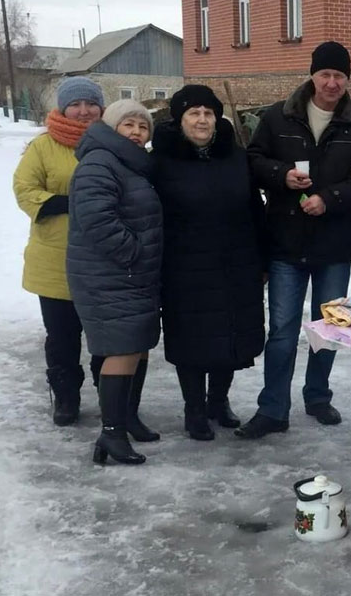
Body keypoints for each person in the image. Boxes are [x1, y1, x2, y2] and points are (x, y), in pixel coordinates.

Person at [237, 41, 351, 437]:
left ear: (348, 80)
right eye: (325, 75)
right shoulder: (279, 117)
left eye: (339, 76)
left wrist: (330, 198)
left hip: (334, 246)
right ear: (312, 75)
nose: (331, 83)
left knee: (329, 326)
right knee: (282, 329)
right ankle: (272, 409)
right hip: (285, 241)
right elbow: (252, 161)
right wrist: (282, 174)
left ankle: (318, 396)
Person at [151, 85, 267, 441]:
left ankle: (218, 401)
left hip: (235, 261)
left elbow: (254, 207)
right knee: (191, 340)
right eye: (193, 113)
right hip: (184, 265)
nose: (202, 120)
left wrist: (262, 257)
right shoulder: (161, 160)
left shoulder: (234, 156)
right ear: (180, 119)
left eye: (208, 113)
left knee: (230, 337)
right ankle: (194, 410)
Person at [67, 101, 162, 465]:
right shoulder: (99, 162)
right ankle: (111, 434)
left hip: (129, 273)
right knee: (122, 349)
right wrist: (134, 252)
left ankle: (127, 418)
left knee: (136, 345)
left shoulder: (126, 162)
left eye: (143, 126)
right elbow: (97, 218)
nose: (137, 132)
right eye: (129, 124)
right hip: (109, 273)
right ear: (111, 127)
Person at [13, 76, 107, 426]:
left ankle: (110, 397)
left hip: (103, 261)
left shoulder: (114, 141)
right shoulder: (43, 147)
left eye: (90, 104)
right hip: (55, 261)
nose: (83, 111)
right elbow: (25, 189)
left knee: (105, 337)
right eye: (75, 104)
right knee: (63, 337)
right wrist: (69, 203)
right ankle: (66, 397)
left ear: (101, 107)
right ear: (63, 108)